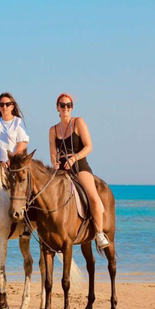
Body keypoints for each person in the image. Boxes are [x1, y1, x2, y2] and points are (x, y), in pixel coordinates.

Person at [48, 93, 110, 249]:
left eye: (69, 105)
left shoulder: (78, 122)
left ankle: (99, 233)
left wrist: (74, 158)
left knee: (94, 197)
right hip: (62, 168)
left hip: (79, 165)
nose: (65, 108)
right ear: (57, 108)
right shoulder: (53, 130)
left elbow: (89, 146)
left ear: (72, 107)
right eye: (62, 105)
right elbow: (53, 152)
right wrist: (55, 163)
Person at [0, 92, 31, 238]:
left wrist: (10, 162)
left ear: (12, 106)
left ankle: (26, 225)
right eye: (2, 104)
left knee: (22, 190)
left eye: (7, 104)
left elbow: (22, 145)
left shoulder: (18, 122)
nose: (5, 107)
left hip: (14, 165)